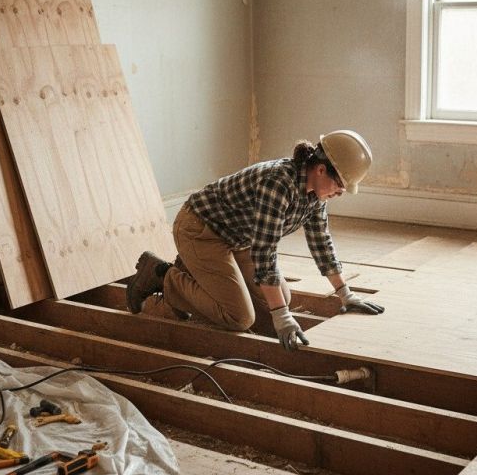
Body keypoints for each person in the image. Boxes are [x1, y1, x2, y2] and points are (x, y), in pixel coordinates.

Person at [126, 130, 384, 352]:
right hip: (200, 230)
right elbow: (264, 255)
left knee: (281, 296)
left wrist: (345, 294)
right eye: (340, 185)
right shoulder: (279, 184)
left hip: (237, 238)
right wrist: (281, 315)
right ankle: (162, 275)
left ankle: (192, 271)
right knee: (240, 317)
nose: (340, 193)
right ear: (320, 169)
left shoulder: (315, 195)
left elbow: (321, 243)